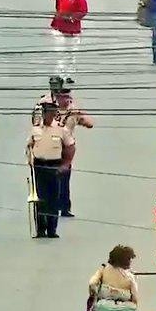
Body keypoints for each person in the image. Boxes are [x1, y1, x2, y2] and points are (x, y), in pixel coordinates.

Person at [27, 102, 74, 239]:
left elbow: (70, 147)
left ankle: (52, 230)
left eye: (52, 113)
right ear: (43, 113)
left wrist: (66, 164)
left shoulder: (61, 129)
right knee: (40, 198)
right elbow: (29, 146)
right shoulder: (35, 130)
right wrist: (29, 159)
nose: (50, 115)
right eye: (47, 112)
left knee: (54, 198)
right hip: (39, 166)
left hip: (54, 166)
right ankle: (40, 230)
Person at [53, 88, 92, 217]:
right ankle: (52, 206)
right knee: (50, 178)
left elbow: (90, 123)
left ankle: (64, 207)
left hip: (66, 147)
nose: (66, 99)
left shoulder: (73, 111)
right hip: (51, 146)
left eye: (67, 96)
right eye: (63, 96)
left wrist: (80, 116)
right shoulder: (50, 110)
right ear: (57, 97)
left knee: (64, 177)